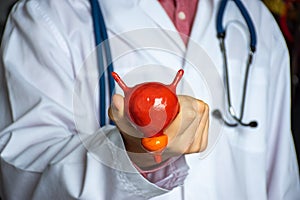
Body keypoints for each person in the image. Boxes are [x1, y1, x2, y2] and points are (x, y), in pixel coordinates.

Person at [0, 0, 299, 199]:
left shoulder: (256, 22)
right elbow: (23, 183)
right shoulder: (45, 16)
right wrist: (130, 154)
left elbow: (282, 181)